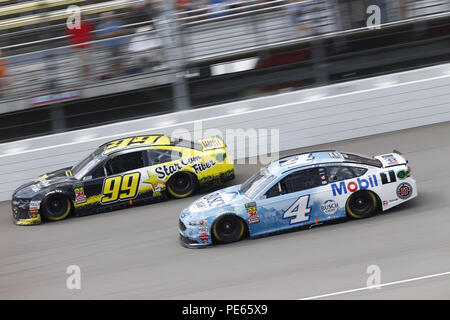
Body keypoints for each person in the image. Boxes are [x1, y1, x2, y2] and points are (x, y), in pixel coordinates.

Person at [66, 13, 94, 82]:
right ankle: (84, 78)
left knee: (85, 63)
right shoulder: (79, 24)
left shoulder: (86, 23)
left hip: (84, 46)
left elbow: (91, 30)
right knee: (83, 63)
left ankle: (85, 78)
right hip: (80, 47)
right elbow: (70, 34)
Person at [97, 11, 125, 78]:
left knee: (119, 60)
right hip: (107, 46)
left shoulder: (118, 22)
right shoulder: (100, 26)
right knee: (110, 61)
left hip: (118, 44)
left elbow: (121, 32)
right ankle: (114, 75)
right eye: (105, 16)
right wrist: (113, 33)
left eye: (109, 15)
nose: (107, 17)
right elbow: (101, 36)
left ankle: (120, 74)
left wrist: (108, 34)